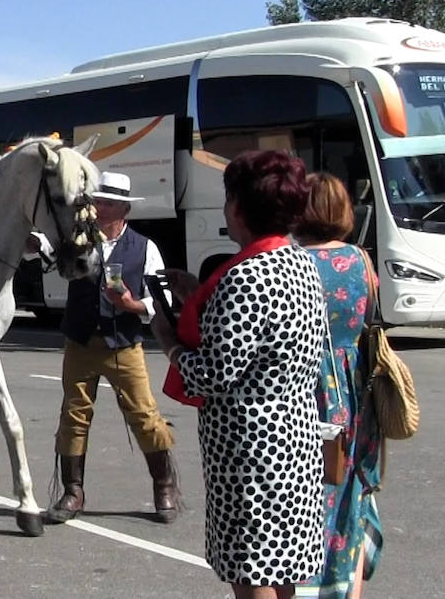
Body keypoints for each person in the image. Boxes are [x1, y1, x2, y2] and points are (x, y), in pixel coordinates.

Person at [151, 150, 327, 599]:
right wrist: (198, 295)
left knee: (252, 570)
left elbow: (213, 374)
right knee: (282, 564)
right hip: (295, 433)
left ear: (239, 207)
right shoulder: (299, 263)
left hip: (251, 447)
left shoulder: (245, 276)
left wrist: (168, 340)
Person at [43, 171, 181, 525]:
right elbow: (44, 253)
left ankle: (164, 485)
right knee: (73, 414)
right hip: (80, 340)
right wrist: (32, 244)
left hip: (123, 344)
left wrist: (132, 305)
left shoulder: (144, 248)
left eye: (108, 203)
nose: (100, 208)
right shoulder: (78, 239)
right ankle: (73, 491)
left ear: (124, 209)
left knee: (145, 415)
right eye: (97, 201)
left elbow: (159, 303)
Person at [293, 172, 384, 599]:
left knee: (304, 498)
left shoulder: (291, 263)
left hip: (305, 386)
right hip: (354, 389)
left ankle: (305, 586)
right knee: (351, 492)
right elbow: (372, 326)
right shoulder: (361, 261)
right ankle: (349, 590)